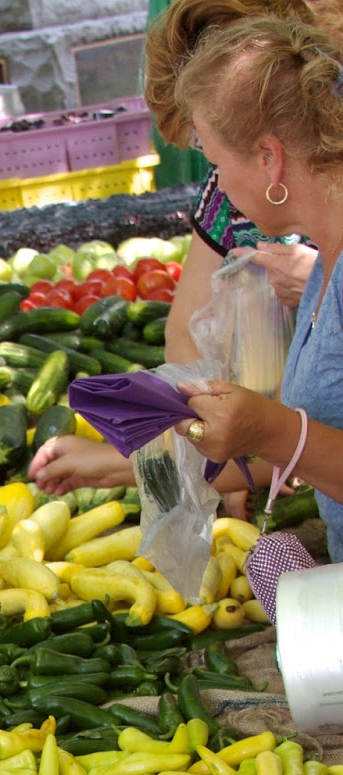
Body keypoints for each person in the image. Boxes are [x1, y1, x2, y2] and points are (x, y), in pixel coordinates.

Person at [30, 0, 324, 498]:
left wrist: (320, 281)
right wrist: (215, 458)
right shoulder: (234, 194)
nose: (219, 182)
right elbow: (187, 333)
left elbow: (311, 447)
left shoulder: (327, 246)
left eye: (210, 148)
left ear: (266, 150)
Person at [171, 13, 343, 564]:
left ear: (269, 158)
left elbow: (296, 440)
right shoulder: (324, 264)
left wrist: (270, 430)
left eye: (217, 162)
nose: (217, 185)